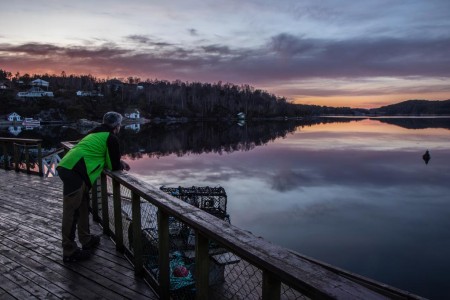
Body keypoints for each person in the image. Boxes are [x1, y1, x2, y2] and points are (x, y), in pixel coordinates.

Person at [57, 111, 130, 262]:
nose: (120, 127)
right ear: (117, 126)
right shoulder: (110, 138)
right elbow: (114, 165)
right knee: (71, 211)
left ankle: (86, 239)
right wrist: (120, 163)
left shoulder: (93, 134)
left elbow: (104, 158)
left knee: (83, 206)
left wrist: (117, 162)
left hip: (71, 167)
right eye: (120, 125)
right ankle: (69, 251)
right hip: (75, 171)